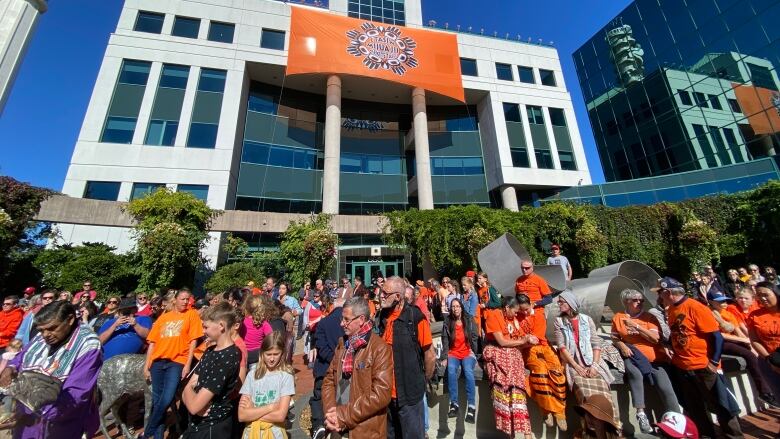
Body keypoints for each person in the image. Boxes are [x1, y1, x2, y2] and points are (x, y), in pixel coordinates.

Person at [0, 301, 103, 438]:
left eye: (52, 328)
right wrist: (10, 367)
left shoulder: (88, 345)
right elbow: (22, 356)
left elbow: (76, 393)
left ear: (70, 320)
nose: (45, 335)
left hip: (59, 421)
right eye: (41, 330)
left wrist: (32, 415)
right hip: (26, 417)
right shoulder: (43, 336)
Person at [655, 276, 742, 439]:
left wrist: (714, 362)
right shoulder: (672, 309)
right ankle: (706, 435)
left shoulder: (695, 307)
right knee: (695, 407)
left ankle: (734, 436)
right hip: (683, 366)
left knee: (720, 404)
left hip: (703, 365)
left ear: (667, 292)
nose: (659, 296)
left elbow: (717, 337)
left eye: (660, 293)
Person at [321, 297, 393, 439]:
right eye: (342, 319)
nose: (342, 324)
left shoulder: (379, 349)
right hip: (337, 427)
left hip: (364, 431)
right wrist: (332, 414)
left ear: (361, 319)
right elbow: (329, 380)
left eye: (346, 319)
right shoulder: (343, 344)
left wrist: (343, 415)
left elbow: (381, 394)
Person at [554, 289, 621, 439]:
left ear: (570, 304)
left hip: (593, 364)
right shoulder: (559, 322)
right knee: (586, 400)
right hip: (574, 366)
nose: (559, 304)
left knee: (605, 399)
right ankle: (591, 435)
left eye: (561, 302)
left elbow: (596, 344)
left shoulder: (586, 319)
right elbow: (562, 347)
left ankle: (612, 434)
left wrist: (595, 366)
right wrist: (576, 367)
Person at [611, 289, 679, 433]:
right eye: (635, 300)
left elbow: (655, 339)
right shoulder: (618, 317)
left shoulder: (649, 317)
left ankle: (677, 421)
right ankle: (641, 414)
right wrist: (622, 345)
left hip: (654, 359)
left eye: (641, 300)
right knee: (633, 372)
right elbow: (615, 337)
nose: (640, 302)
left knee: (666, 388)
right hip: (633, 356)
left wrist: (636, 326)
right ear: (626, 301)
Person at [377, 276, 435, 439]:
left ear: (398, 296)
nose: (381, 295)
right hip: (386, 395)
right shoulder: (382, 317)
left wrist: (422, 381)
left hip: (409, 396)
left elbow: (429, 355)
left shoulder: (415, 317)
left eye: (385, 293)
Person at [143, 289, 204, 439]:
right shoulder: (164, 317)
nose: (185, 302)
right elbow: (152, 343)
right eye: (182, 299)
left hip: (177, 361)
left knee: (168, 397)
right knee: (158, 401)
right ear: (174, 300)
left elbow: (193, 341)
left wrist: (188, 364)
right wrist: (146, 366)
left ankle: (148, 431)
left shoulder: (191, 314)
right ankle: (157, 436)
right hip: (157, 362)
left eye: (187, 299)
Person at [182, 303, 242, 437]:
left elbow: (194, 406)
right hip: (197, 425)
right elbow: (187, 390)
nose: (203, 331)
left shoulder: (229, 356)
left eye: (206, 327)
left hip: (212, 427)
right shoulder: (210, 351)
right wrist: (189, 391)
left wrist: (190, 394)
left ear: (221, 326)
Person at [706, 289, 776, 405]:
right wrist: (744, 341)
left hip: (735, 340)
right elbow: (720, 335)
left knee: (756, 352)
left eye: (725, 300)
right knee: (749, 355)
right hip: (720, 343)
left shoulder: (728, 313)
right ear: (711, 302)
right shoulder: (709, 313)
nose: (724, 303)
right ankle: (764, 392)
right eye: (720, 301)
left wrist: (749, 343)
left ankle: (770, 386)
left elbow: (737, 330)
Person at [482, 296, 536, 439]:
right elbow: (501, 341)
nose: (516, 314)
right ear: (506, 308)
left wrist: (528, 341)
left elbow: (518, 341)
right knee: (504, 393)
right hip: (497, 352)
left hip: (513, 356)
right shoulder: (494, 316)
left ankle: (526, 434)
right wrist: (522, 341)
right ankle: (510, 435)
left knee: (518, 395)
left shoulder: (513, 319)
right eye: (515, 311)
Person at [516, 294, 568, 431]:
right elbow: (522, 338)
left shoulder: (538, 314)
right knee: (540, 371)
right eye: (521, 310)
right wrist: (526, 339)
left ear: (531, 304)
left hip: (543, 346)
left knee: (557, 370)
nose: (524, 312)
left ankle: (560, 411)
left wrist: (526, 338)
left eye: (526, 309)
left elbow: (536, 337)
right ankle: (545, 410)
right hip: (529, 350)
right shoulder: (517, 317)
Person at [238, 331, 295, 438]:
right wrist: (271, 407)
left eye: (276, 354)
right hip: (251, 433)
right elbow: (242, 415)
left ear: (282, 353)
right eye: (268, 354)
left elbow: (280, 416)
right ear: (261, 353)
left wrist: (252, 411)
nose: (272, 359)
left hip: (274, 433)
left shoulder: (286, 377)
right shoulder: (252, 375)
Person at [310, 297, 345, 438]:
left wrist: (332, 359)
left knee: (319, 397)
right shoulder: (348, 321)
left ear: (333, 306)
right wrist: (339, 362)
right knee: (340, 398)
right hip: (343, 367)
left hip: (324, 367)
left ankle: (318, 425)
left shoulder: (324, 322)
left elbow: (320, 345)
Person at [439, 298, 478, 423]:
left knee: (468, 371)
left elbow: (474, 337)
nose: (455, 309)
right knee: (450, 370)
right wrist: (445, 357)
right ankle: (454, 404)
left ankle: (471, 407)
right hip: (453, 353)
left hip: (467, 353)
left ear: (461, 307)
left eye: (457, 306)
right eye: (453, 306)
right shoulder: (448, 321)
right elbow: (444, 339)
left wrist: (475, 352)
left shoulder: (469, 320)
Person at [748, 282, 780, 399]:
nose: (762, 298)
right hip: (768, 361)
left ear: (776, 293)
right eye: (759, 295)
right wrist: (769, 360)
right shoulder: (754, 315)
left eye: (766, 294)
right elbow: (754, 340)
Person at [240, 295, 273, 359]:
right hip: (258, 354)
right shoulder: (263, 323)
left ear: (246, 307)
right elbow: (271, 338)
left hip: (243, 353)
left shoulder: (242, 322)